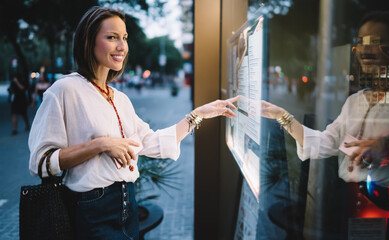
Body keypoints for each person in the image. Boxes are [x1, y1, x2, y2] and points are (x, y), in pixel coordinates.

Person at [28, 6, 239, 240]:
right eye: (112, 37)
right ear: (88, 41)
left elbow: (152, 143)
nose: (122, 46)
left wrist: (198, 114)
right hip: (92, 209)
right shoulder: (65, 90)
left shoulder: (120, 98)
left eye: (125, 38)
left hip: (128, 205)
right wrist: (101, 145)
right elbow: (41, 162)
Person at [260, 11, 389, 217]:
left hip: (388, 207)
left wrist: (388, 145)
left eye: (375, 42)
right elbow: (325, 142)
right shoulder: (355, 102)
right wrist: (283, 116)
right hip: (347, 203)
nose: (365, 50)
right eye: (361, 42)